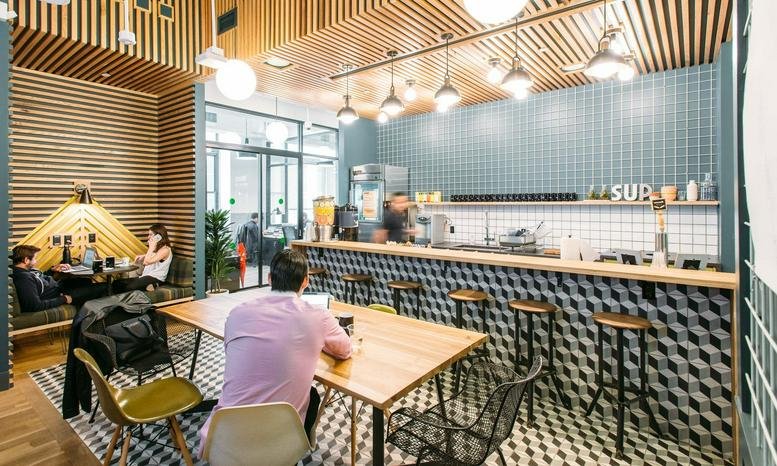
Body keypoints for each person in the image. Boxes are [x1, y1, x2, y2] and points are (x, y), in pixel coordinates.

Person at [199, 249, 352, 455]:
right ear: (306, 281)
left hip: (222, 442)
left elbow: (233, 352)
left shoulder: (238, 313)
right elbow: (344, 350)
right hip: (280, 444)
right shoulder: (318, 316)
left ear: (270, 279)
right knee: (311, 395)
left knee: (309, 394)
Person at [11, 245, 107, 312]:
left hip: (59, 287)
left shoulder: (25, 270)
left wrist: (53, 270)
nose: (36, 261)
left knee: (86, 281)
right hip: (60, 294)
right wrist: (63, 299)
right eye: (35, 258)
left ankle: (86, 313)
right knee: (105, 287)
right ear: (26, 260)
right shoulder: (23, 278)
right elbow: (34, 306)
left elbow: (39, 280)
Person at [113, 224, 173, 293]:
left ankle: (155, 284)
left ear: (158, 236)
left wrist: (151, 247)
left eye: (151, 235)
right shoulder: (157, 248)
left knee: (129, 287)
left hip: (156, 278)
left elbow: (146, 262)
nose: (148, 237)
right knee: (116, 283)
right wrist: (144, 255)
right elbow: (155, 256)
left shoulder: (165, 250)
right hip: (146, 275)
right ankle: (150, 285)